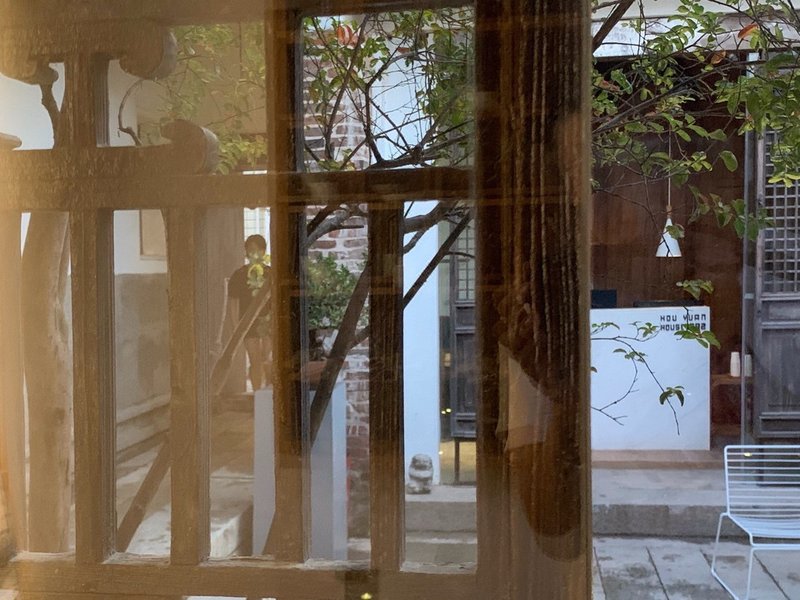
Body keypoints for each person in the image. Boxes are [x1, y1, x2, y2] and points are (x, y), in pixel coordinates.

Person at [227, 234, 272, 390]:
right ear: (246, 252)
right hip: (247, 324)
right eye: (250, 250)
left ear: (263, 251)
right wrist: (236, 328)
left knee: (267, 358)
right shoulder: (239, 275)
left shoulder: (271, 274)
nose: (253, 253)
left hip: (268, 322)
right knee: (254, 360)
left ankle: (269, 392)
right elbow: (233, 303)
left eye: (258, 250)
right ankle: (257, 393)